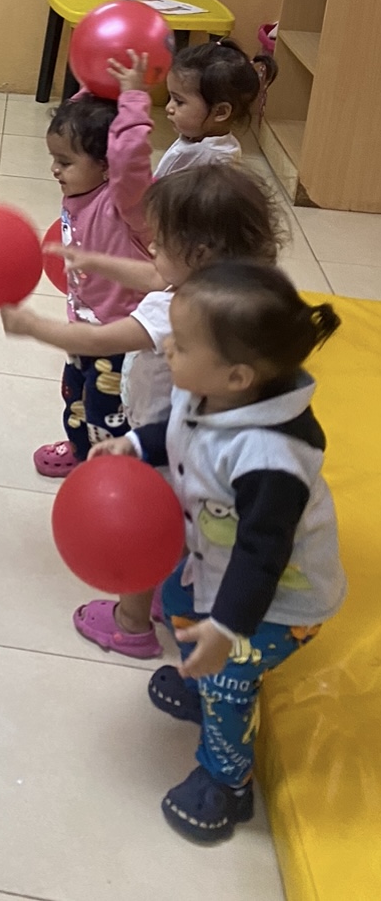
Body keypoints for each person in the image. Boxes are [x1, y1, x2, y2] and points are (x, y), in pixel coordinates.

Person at [89, 262, 345, 844]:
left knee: (229, 678)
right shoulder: (209, 393)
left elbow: (263, 554)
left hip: (278, 601)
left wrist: (227, 629)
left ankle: (228, 782)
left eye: (180, 345)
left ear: (237, 375)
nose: (167, 350)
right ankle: (198, 677)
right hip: (216, 564)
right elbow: (175, 431)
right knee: (178, 598)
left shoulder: (271, 458)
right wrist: (133, 444)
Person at [4, 161, 282, 657]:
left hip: (170, 435)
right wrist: (95, 260)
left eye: (160, 241)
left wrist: (32, 327)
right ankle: (168, 586)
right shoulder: (242, 291)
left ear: (199, 254)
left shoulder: (180, 311)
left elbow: (97, 339)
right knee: (180, 524)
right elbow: (156, 274)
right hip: (204, 431)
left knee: (149, 523)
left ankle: (131, 622)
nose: (149, 248)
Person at [29, 51, 154, 477]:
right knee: (75, 395)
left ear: (106, 166)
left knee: (108, 410)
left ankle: (107, 467)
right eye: (54, 159)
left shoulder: (126, 201)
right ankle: (80, 448)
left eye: (65, 163)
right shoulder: (82, 189)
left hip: (122, 334)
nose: (55, 170)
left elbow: (131, 159)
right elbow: (84, 120)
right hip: (84, 323)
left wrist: (134, 99)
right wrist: (93, 80)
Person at [157, 39, 276, 177]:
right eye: (170, 98)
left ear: (220, 112)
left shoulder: (217, 163)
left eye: (179, 101)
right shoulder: (196, 137)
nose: (169, 107)